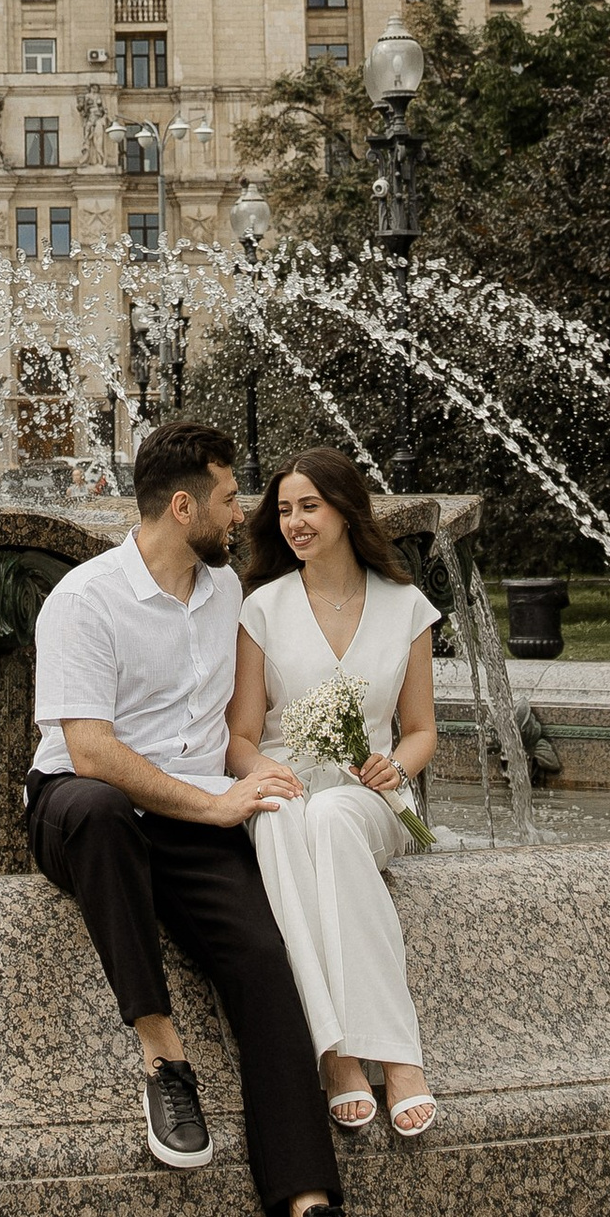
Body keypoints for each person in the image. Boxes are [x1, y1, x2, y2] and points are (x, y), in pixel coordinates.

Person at [26, 412, 376, 1217]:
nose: (241, 515)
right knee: (103, 808)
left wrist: (268, 780)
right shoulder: (85, 599)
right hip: (79, 806)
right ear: (182, 507)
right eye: (229, 498)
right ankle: (165, 1059)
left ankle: (307, 1214)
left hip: (192, 816)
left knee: (266, 963)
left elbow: (234, 726)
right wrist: (214, 804)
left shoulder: (228, 596)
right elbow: (93, 749)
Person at [229, 448, 439, 1140]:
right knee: (292, 818)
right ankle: (338, 1053)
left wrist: (396, 771)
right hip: (286, 782)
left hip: (370, 794)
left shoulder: (407, 608)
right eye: (284, 509)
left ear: (347, 510)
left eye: (309, 506)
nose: (294, 521)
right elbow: (241, 736)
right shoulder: (261, 608)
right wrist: (261, 773)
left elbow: (420, 732)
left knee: (336, 814)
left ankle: (396, 1054)